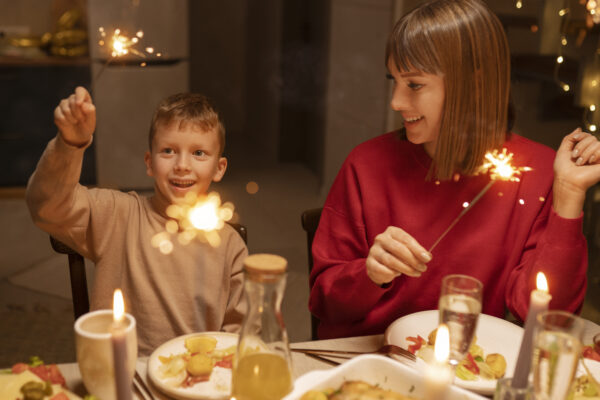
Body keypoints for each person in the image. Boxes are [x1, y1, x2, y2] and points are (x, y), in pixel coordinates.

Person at [309, 0, 600, 339]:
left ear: (474, 84)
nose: (396, 102)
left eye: (414, 84)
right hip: (375, 362)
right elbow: (324, 302)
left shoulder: (534, 173)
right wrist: (369, 274)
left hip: (468, 371)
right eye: (395, 81)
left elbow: (546, 321)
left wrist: (569, 196)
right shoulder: (366, 164)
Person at [26, 87, 247, 354]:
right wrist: (69, 145)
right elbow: (47, 206)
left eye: (199, 153)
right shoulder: (117, 215)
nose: (182, 165)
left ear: (219, 168)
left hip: (199, 381)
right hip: (120, 376)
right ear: (149, 162)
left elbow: (241, 335)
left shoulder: (231, 246)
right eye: (168, 151)